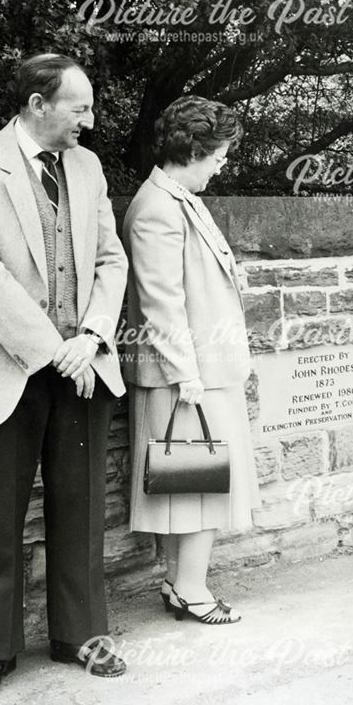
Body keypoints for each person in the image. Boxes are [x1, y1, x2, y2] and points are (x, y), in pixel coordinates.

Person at [0, 53, 129, 703]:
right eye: (80, 107)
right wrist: (55, 348)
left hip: (83, 362)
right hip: (6, 365)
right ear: (37, 104)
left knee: (81, 511)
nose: (91, 119)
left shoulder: (89, 166)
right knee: (1, 517)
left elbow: (110, 259)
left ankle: (81, 635)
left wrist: (95, 333)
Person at [122, 95, 259, 624]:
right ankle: (194, 591)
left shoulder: (178, 196)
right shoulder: (158, 206)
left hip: (197, 371)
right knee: (200, 483)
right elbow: (160, 303)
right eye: (220, 153)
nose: (223, 162)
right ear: (194, 149)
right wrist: (186, 375)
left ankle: (182, 585)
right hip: (185, 375)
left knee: (193, 483)